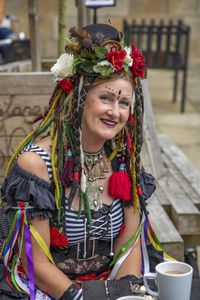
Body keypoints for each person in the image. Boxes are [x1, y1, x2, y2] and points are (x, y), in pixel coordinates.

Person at [0, 23, 165, 300]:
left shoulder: (124, 161)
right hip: (47, 289)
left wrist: (126, 293)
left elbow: (130, 249)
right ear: (78, 98)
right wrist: (82, 297)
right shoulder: (37, 166)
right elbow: (35, 264)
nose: (115, 112)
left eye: (124, 103)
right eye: (105, 98)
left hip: (106, 287)